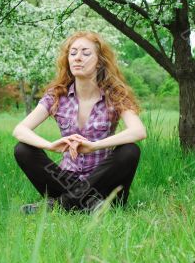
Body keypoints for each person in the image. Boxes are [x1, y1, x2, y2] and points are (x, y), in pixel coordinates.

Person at [13, 30, 146, 214]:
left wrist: (94, 146)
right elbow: (20, 130)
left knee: (130, 150)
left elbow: (138, 131)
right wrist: (51, 146)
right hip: (66, 181)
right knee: (23, 149)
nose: (77, 58)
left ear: (99, 61)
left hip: (104, 182)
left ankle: (60, 206)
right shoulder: (57, 95)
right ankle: (88, 204)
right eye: (73, 53)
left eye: (85, 53)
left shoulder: (114, 94)